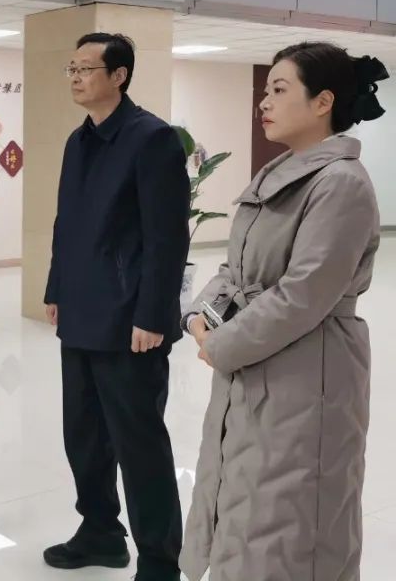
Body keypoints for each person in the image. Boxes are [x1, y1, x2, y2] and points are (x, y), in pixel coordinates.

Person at [181, 43, 386, 581]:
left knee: (293, 522)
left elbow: (303, 295)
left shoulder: (341, 183)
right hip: (257, 365)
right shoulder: (279, 173)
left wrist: (221, 344)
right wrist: (201, 316)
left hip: (309, 374)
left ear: (323, 102)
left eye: (278, 89)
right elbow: (235, 270)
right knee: (243, 504)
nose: (264, 102)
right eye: (265, 90)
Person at [43, 33, 189, 581]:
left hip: (130, 320)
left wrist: (153, 315)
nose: (76, 77)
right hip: (81, 311)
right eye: (71, 68)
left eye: (86, 68)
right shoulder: (78, 140)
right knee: (82, 434)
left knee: (139, 444)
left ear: (119, 75)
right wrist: (56, 287)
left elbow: (167, 237)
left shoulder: (151, 138)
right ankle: (100, 531)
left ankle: (159, 559)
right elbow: (67, 223)